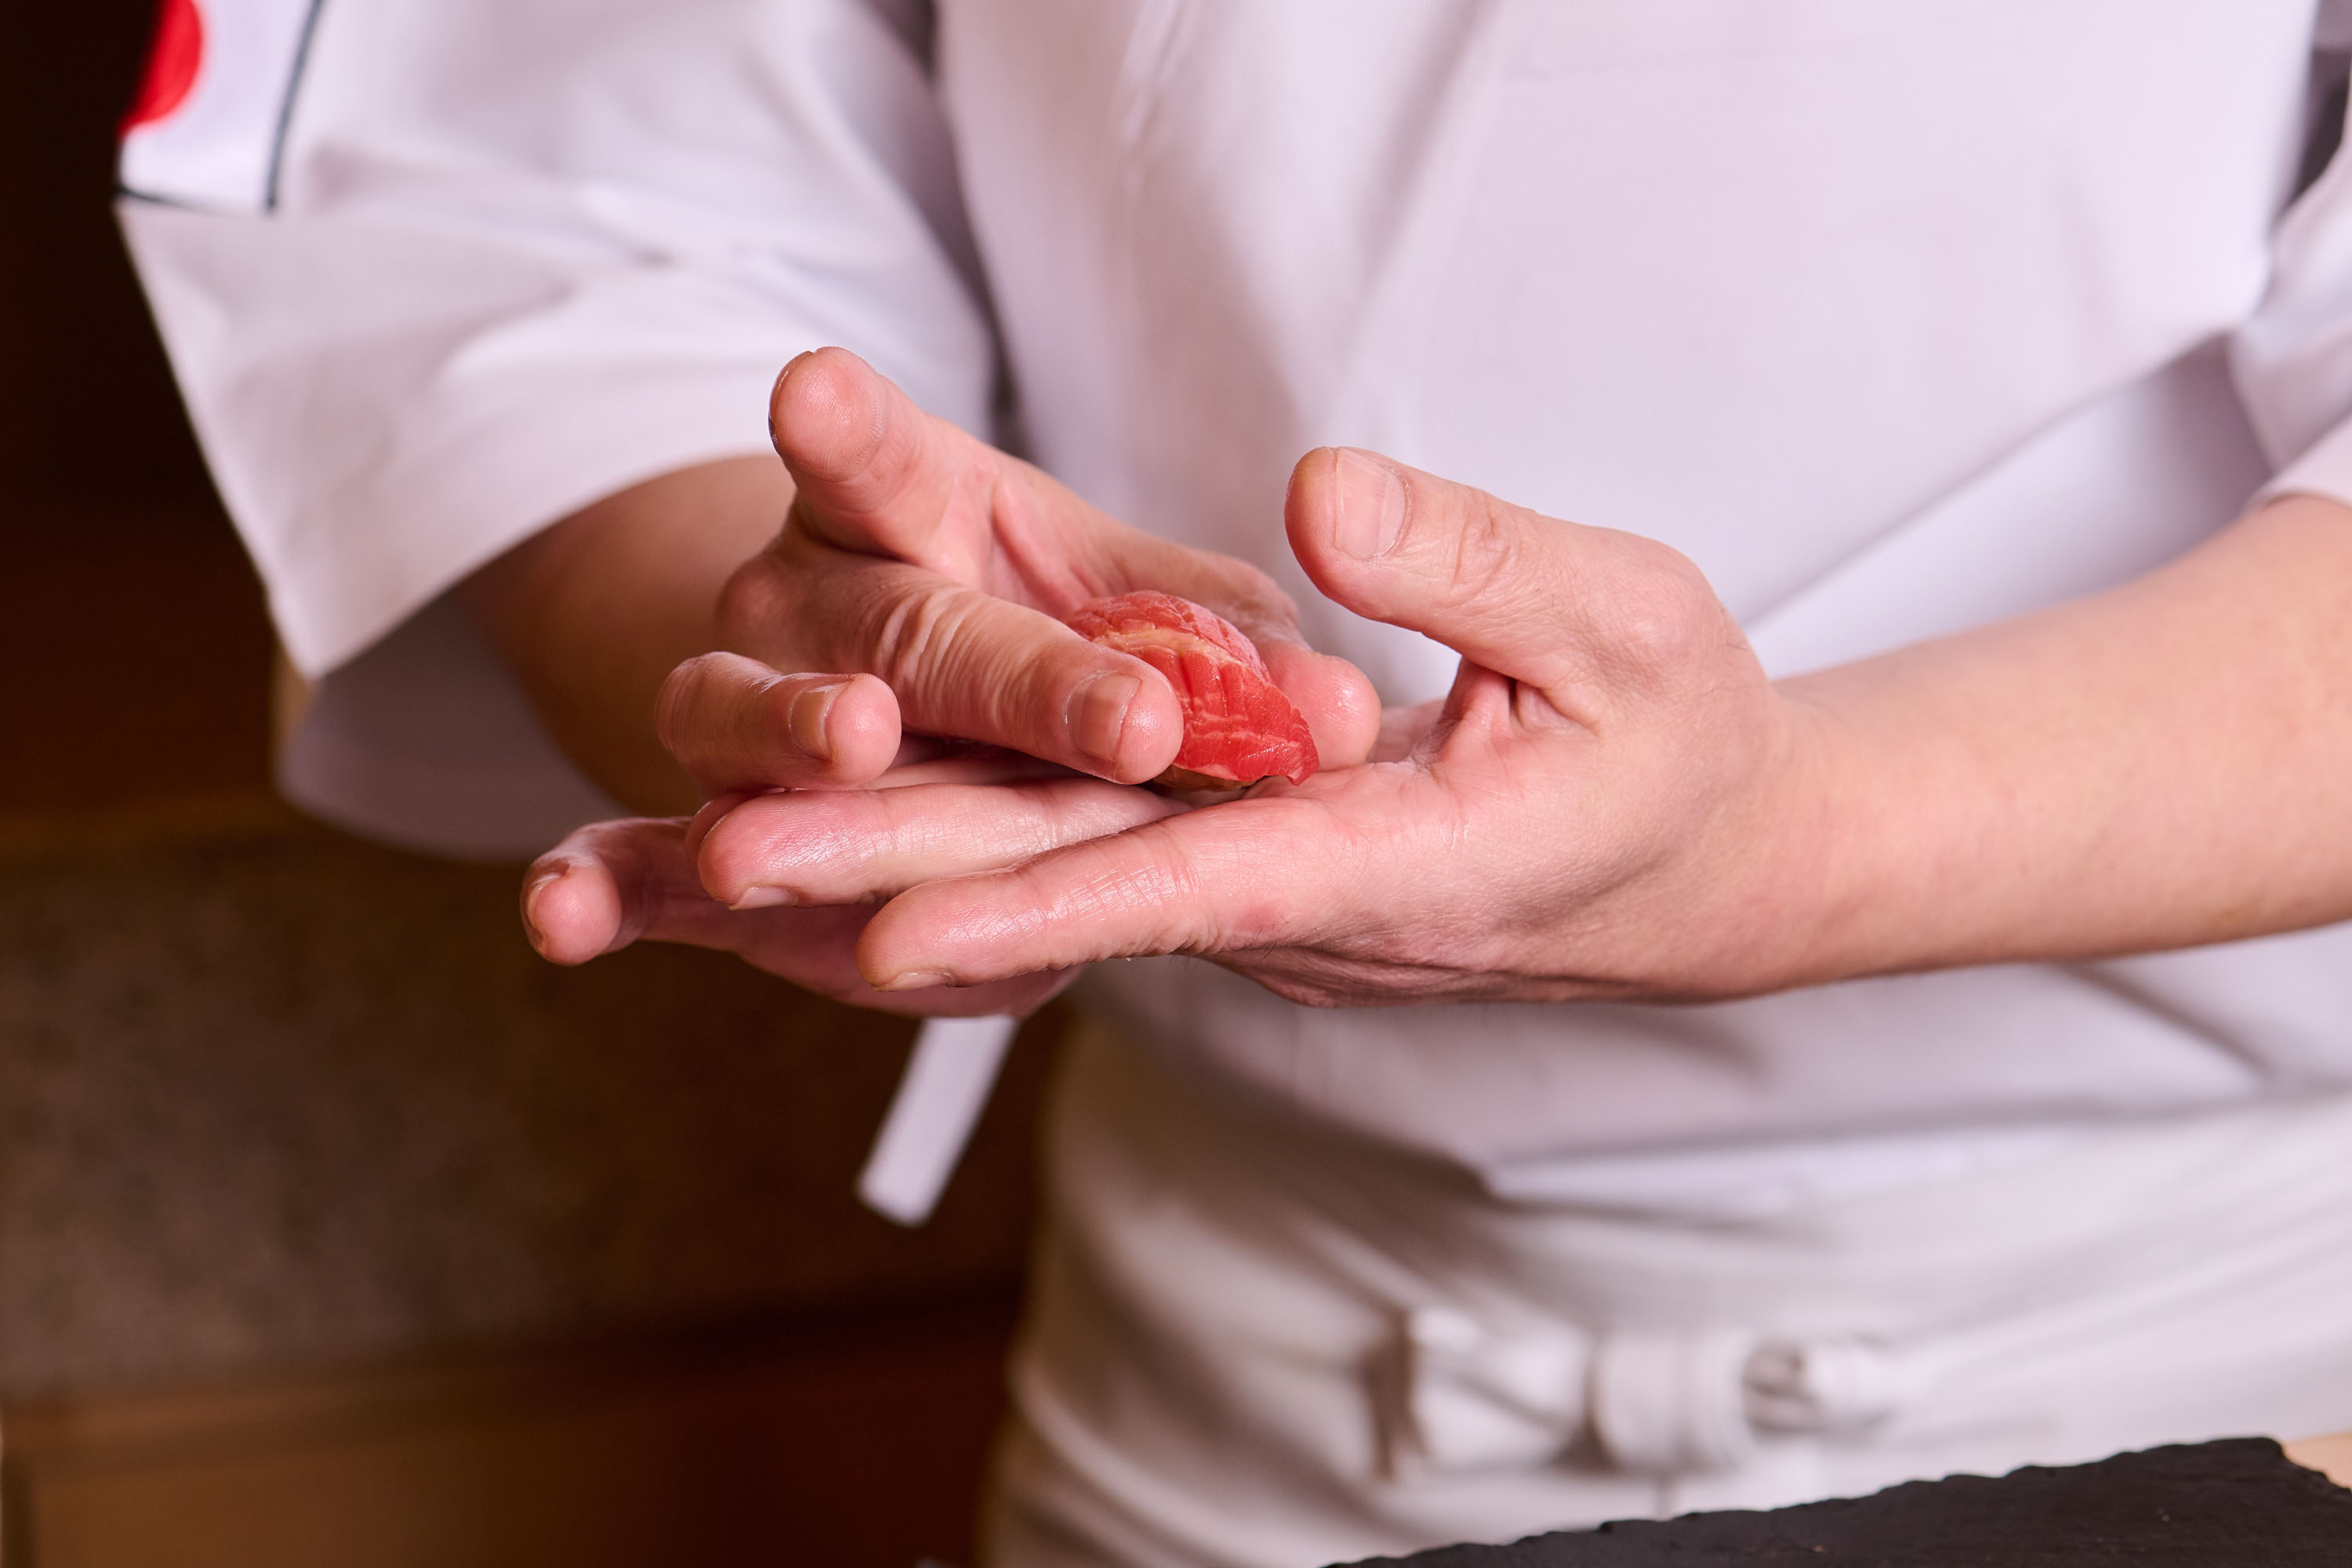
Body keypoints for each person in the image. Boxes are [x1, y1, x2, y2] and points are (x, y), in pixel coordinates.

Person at [124, 2, 2352, 1563]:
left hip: (2218, 1395)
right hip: (1220, 1410)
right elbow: (543, 180)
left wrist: (1793, 831)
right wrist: (835, 642)